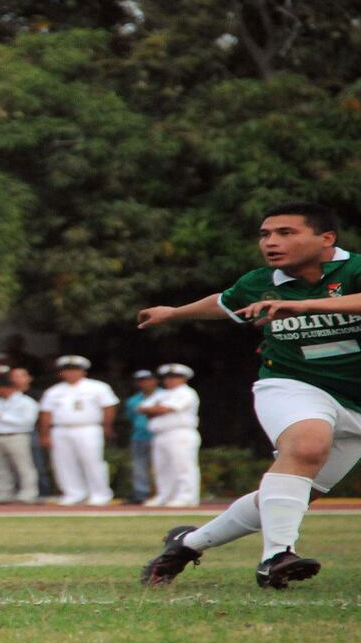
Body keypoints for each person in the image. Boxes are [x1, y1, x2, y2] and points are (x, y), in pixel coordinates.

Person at [138, 202, 360, 589]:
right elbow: (224, 303)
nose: (271, 242)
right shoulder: (260, 281)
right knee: (307, 446)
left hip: (354, 400)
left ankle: (186, 544)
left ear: (327, 239)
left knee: (285, 498)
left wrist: (302, 304)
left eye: (285, 233)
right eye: (265, 234)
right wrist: (173, 313)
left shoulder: (354, 270)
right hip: (293, 383)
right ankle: (276, 557)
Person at [37, 355, 119, 506]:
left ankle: (100, 494)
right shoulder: (54, 391)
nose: (71, 374)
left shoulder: (97, 387)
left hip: (88, 427)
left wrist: (107, 426)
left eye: (75, 370)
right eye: (67, 370)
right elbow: (46, 413)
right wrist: (45, 434)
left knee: (92, 461)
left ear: (83, 372)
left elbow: (109, 407)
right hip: (61, 429)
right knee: (64, 462)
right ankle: (73, 493)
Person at [140, 364, 201, 507]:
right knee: (162, 467)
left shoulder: (186, 392)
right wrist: (155, 409)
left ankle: (186, 497)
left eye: (175, 377)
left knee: (182, 466)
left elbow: (166, 409)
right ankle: (164, 495)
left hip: (180, 432)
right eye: (167, 378)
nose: (170, 380)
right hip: (160, 434)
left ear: (184, 379)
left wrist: (153, 409)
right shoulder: (162, 394)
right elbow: (141, 407)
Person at [0, 372, 39, 504]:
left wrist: (1, 417)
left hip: (17, 436)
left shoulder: (26, 402)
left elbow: (27, 422)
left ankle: (28, 494)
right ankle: (4, 493)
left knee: (23, 466)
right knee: (0, 467)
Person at [124, 370, 159, 504]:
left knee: (162, 466)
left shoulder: (165, 395)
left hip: (158, 435)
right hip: (139, 435)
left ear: (155, 381)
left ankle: (161, 493)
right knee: (139, 466)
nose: (145, 383)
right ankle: (141, 493)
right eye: (141, 380)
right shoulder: (133, 400)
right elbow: (131, 418)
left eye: (148, 379)